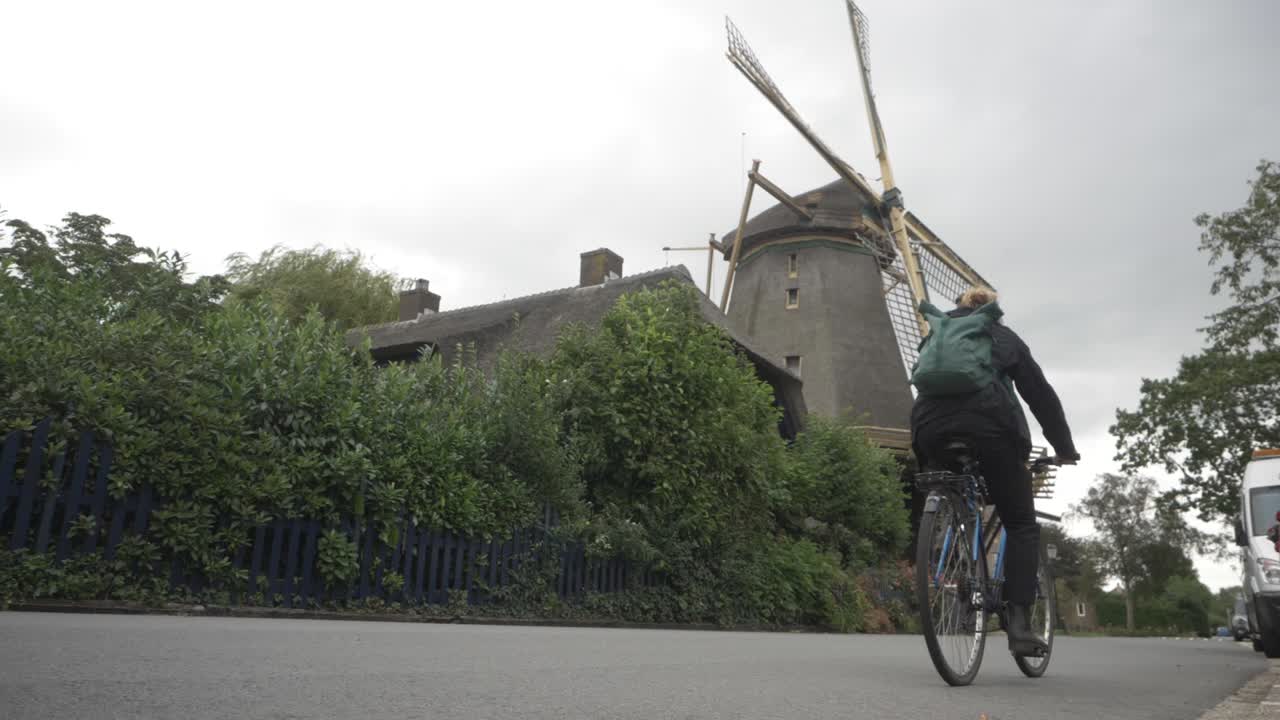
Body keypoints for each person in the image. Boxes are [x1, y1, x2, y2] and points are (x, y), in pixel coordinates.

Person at [910, 286, 1079, 657]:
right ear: (994, 312)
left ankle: (947, 538)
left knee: (946, 487)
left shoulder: (936, 335)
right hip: (991, 429)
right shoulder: (1002, 336)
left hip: (929, 430)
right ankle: (1018, 625)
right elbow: (1040, 395)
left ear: (957, 310)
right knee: (1020, 523)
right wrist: (1064, 448)